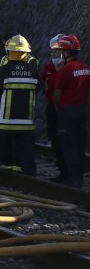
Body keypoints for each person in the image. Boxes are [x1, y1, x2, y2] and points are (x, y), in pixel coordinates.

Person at [0, 35, 38, 182]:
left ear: (9, 52)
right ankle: (31, 176)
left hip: (4, 122)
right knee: (26, 150)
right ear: (26, 53)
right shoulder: (33, 70)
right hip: (26, 122)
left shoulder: (3, 70)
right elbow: (37, 90)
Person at [51, 34, 89, 188]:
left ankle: (73, 178)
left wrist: (56, 106)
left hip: (67, 111)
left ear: (66, 52)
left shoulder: (66, 69)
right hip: (82, 110)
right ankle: (78, 175)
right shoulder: (86, 68)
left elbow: (57, 93)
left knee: (69, 144)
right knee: (80, 143)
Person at [41, 34, 67, 181]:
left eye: (58, 51)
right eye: (53, 52)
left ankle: (68, 169)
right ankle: (62, 168)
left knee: (65, 140)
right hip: (52, 107)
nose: (55, 54)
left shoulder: (68, 67)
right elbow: (44, 83)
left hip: (65, 108)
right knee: (54, 138)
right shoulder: (48, 67)